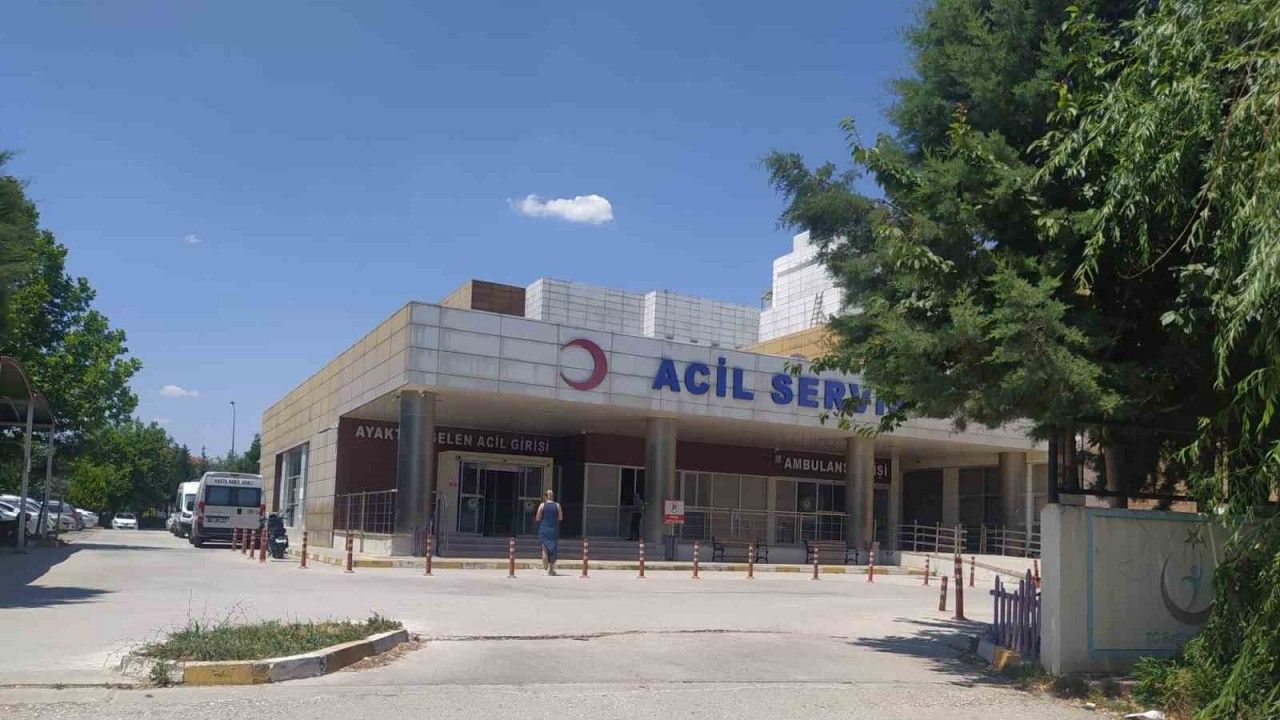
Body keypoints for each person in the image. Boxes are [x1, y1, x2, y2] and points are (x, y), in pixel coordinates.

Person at [535, 488, 563, 575]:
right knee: (553, 549)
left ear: (545, 497)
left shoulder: (542, 505)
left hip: (544, 528)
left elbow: (537, 517)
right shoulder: (557, 505)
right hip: (553, 529)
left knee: (544, 549)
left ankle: (545, 569)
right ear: (552, 496)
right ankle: (551, 569)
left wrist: (542, 518)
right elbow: (560, 518)